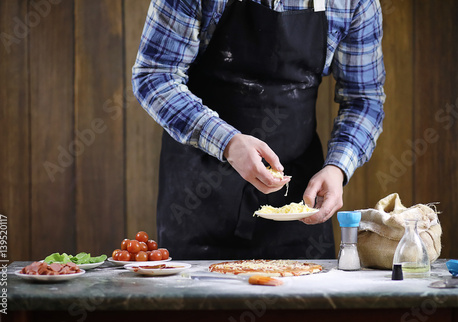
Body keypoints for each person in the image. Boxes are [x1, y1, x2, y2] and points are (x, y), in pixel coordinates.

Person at [132, 0, 385, 260]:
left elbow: (364, 100)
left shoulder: (354, 3)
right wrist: (227, 142)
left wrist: (338, 168)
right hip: (197, 199)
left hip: (298, 203)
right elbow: (154, 75)